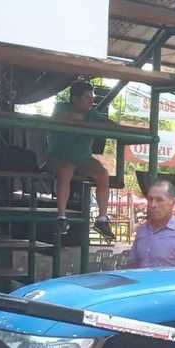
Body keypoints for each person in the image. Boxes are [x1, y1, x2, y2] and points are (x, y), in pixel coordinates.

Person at [48, 81, 112, 237]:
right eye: (87, 97)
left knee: (103, 174)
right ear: (74, 99)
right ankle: (61, 217)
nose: (91, 100)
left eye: (92, 97)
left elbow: (109, 124)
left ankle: (102, 219)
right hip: (60, 156)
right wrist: (92, 122)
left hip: (83, 159)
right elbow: (65, 117)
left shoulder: (92, 114)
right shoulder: (61, 107)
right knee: (66, 170)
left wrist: (108, 124)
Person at [127, 179, 175, 268]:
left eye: (159, 200)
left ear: (173, 203)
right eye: (150, 199)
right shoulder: (142, 231)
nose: (153, 204)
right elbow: (132, 265)